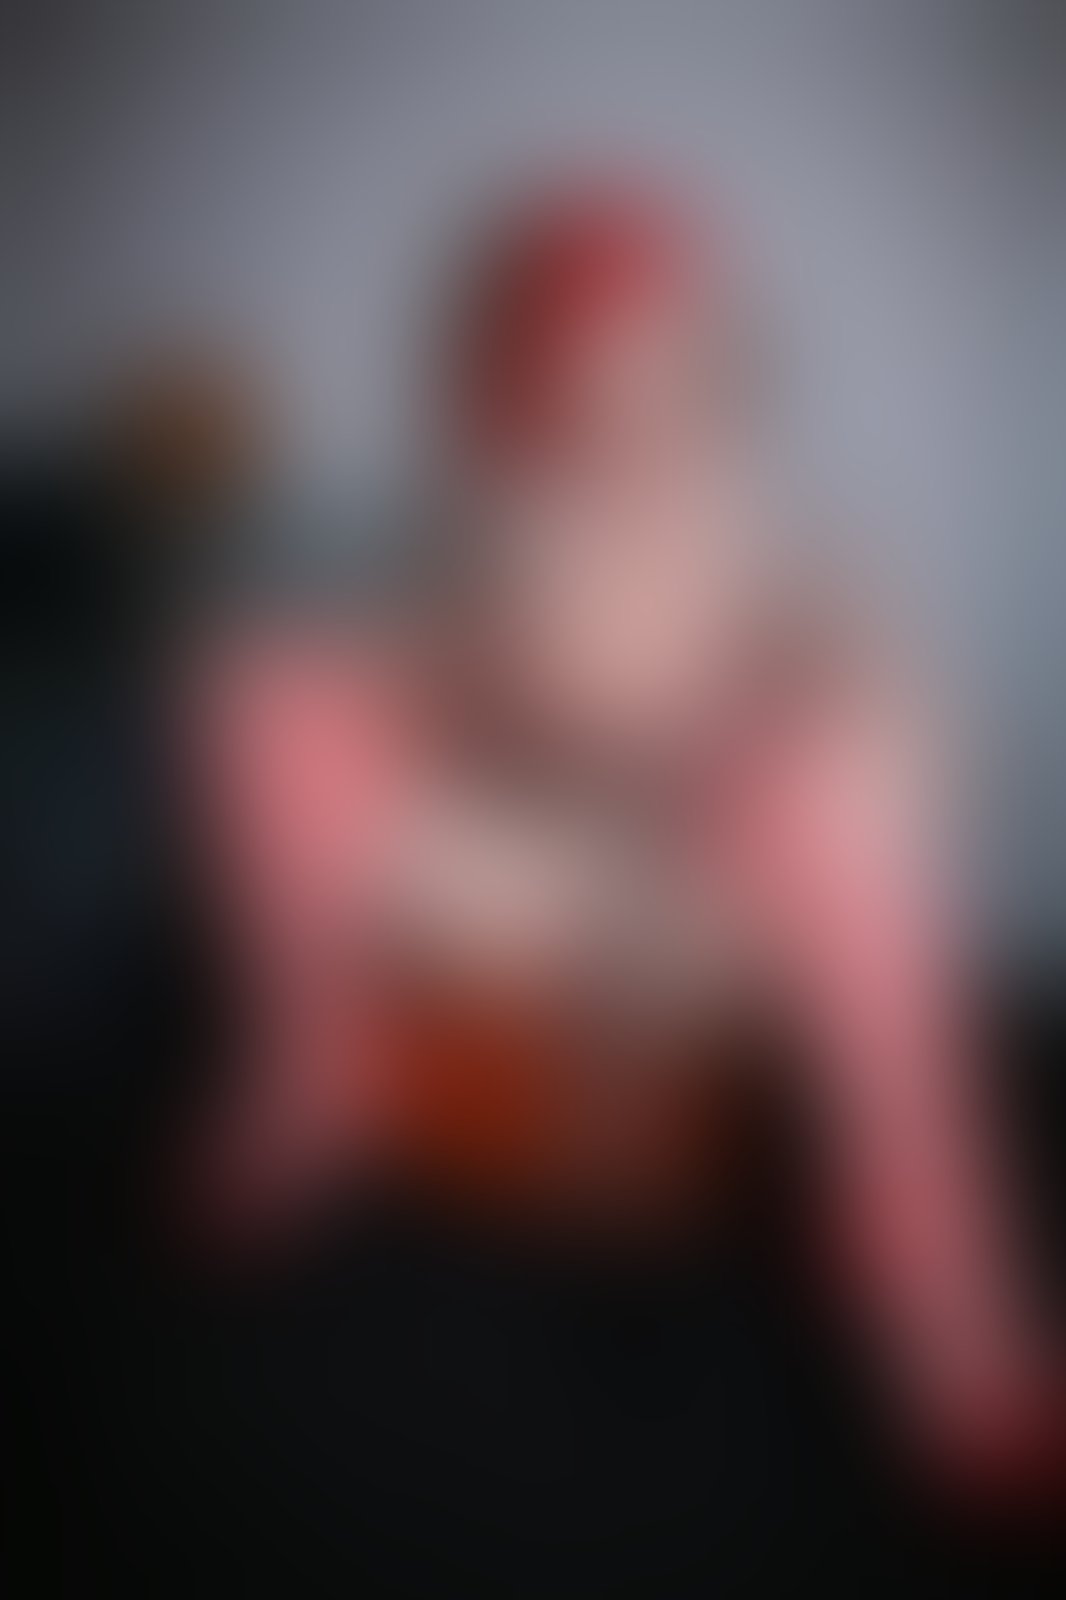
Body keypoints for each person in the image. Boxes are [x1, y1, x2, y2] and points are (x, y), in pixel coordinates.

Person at [177, 183, 1061, 1509]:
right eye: (598, 380)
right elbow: (457, 668)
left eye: (675, 374)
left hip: (709, 805)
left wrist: (803, 697)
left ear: (721, 376)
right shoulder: (510, 522)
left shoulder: (746, 524)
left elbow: (816, 638)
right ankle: (310, 1066)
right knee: (261, 688)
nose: (639, 420)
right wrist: (455, 691)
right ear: (535, 393)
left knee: (832, 793)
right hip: (530, 788)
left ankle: (933, 1287)